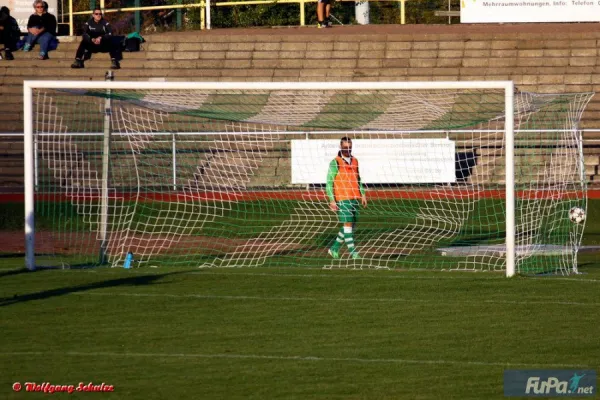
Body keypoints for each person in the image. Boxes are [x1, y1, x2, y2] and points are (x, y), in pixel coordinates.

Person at [326, 137, 367, 260]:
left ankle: (334, 249)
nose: (347, 149)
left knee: (350, 225)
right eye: (345, 147)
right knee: (348, 224)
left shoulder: (355, 161)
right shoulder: (335, 162)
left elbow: (358, 179)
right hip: (342, 197)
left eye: (349, 147)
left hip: (354, 197)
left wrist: (363, 194)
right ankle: (353, 253)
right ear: (340, 147)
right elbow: (329, 182)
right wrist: (332, 200)